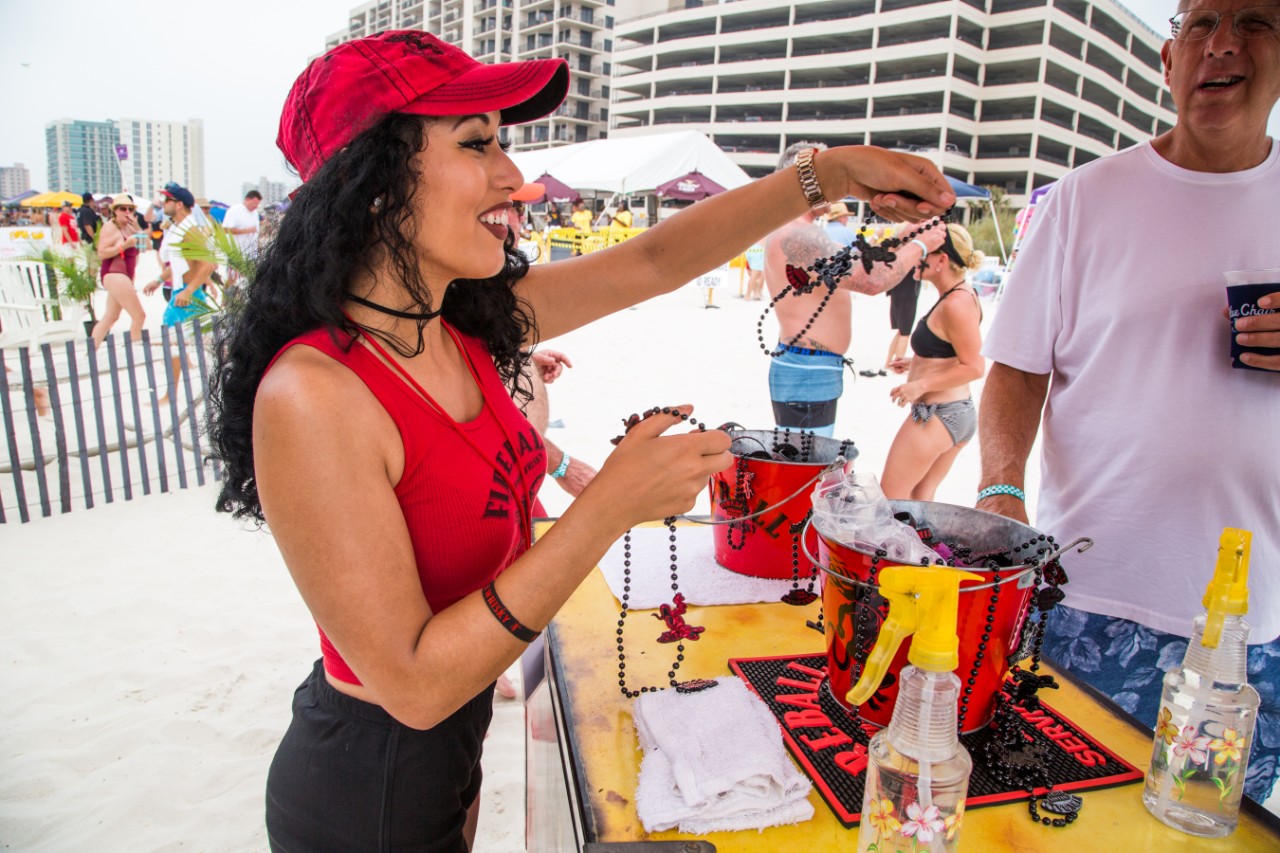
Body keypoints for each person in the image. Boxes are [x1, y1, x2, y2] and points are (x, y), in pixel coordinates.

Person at [205, 29, 952, 851]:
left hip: (445, 758)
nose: (513, 177)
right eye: (477, 143)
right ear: (372, 184)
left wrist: (826, 174)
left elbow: (655, 260)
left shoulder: (456, 325)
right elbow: (414, 686)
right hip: (366, 787)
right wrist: (608, 507)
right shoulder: (314, 393)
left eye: (506, 143)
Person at [977, 0, 1280, 806]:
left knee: (1211, 829)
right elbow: (1014, 366)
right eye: (1199, 23)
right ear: (1168, 59)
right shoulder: (1082, 199)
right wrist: (1002, 491)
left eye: (1253, 20)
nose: (1222, 43)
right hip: (1088, 599)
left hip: (1259, 630)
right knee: (1051, 815)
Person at [764, 141, 947, 437]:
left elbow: (862, 262)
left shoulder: (798, 231)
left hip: (808, 367)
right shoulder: (800, 235)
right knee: (806, 468)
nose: (835, 189)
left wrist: (903, 238)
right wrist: (921, 244)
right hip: (808, 372)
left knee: (805, 462)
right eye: (826, 177)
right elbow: (871, 281)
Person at [879, 223, 985, 500]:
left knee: (890, 499)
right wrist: (915, 361)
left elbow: (975, 366)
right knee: (920, 500)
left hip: (939, 413)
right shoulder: (956, 296)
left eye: (924, 251)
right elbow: (951, 351)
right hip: (952, 412)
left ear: (942, 260)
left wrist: (919, 385)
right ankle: (925, 546)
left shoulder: (955, 304)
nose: (917, 256)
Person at [90, 194, 147, 348]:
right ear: (115, 210)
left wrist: (137, 227)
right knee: (139, 316)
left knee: (110, 317)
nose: (126, 212)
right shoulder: (110, 227)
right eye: (123, 208)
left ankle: (90, 354)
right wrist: (124, 246)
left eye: (130, 209)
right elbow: (102, 252)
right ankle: (135, 351)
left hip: (124, 276)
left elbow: (146, 245)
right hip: (114, 274)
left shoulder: (129, 228)